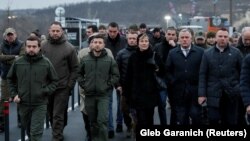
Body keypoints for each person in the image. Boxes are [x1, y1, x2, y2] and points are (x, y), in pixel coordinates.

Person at [7, 36, 58, 141]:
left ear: (39, 48)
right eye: (29, 46)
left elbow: (55, 81)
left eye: (34, 46)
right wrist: (14, 94)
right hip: (23, 104)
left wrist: (45, 91)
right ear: (25, 48)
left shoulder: (46, 62)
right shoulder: (18, 62)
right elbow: (10, 79)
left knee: (36, 134)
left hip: (40, 104)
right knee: (29, 132)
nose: (31, 49)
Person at [41, 21, 79, 141]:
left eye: (58, 31)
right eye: (53, 31)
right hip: (47, 87)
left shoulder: (69, 48)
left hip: (62, 87)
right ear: (49, 31)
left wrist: (69, 86)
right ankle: (59, 128)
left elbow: (75, 68)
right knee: (51, 113)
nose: (55, 33)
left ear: (62, 31)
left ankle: (57, 137)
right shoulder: (42, 46)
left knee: (57, 114)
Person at [78, 34, 120, 141]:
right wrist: (84, 84)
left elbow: (116, 75)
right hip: (89, 95)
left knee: (102, 121)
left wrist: (107, 85)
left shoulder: (109, 60)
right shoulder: (86, 59)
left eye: (100, 43)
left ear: (104, 45)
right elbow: (78, 74)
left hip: (103, 95)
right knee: (93, 122)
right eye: (95, 42)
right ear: (91, 44)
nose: (97, 45)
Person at [198, 28, 243, 125]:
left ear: (228, 38)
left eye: (225, 36)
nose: (223, 39)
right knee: (213, 119)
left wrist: (238, 88)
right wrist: (202, 94)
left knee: (230, 121)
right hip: (213, 93)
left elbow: (243, 73)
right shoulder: (207, 53)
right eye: (220, 36)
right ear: (215, 38)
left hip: (231, 93)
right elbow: (203, 74)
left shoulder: (236, 53)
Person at [125, 33, 165, 133]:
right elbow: (128, 77)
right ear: (138, 43)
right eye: (142, 41)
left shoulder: (155, 55)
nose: (144, 43)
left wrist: (157, 68)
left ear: (149, 42)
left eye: (146, 41)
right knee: (141, 120)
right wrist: (127, 95)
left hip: (151, 93)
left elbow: (163, 71)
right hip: (137, 94)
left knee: (149, 119)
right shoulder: (133, 57)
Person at [0, 27, 25, 133]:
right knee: (3, 101)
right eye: (8, 35)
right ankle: (2, 124)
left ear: (15, 35)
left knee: (19, 99)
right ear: (5, 36)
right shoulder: (1, 45)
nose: (10, 36)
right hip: (5, 76)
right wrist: (14, 57)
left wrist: (7, 58)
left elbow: (22, 58)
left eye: (12, 34)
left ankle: (21, 120)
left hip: (18, 76)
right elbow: (0, 57)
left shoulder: (21, 44)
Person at [105, 22, 127, 138]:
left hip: (120, 75)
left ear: (118, 31)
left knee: (120, 103)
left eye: (114, 31)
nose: (112, 34)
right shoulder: (104, 41)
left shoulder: (124, 41)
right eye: (110, 31)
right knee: (108, 103)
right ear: (108, 31)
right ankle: (110, 128)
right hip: (107, 75)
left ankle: (119, 122)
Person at [116, 30, 138, 137]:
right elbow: (117, 71)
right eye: (130, 38)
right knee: (124, 109)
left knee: (138, 110)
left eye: (134, 38)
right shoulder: (121, 54)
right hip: (125, 87)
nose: (132, 40)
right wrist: (118, 85)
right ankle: (129, 125)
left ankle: (135, 128)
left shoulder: (141, 52)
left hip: (139, 87)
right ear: (127, 39)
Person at [154, 26, 177, 125]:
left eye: (173, 35)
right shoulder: (158, 46)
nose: (171, 36)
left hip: (173, 79)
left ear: (176, 36)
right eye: (169, 34)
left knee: (174, 105)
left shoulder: (178, 48)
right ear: (165, 34)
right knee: (161, 104)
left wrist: (175, 47)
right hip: (162, 79)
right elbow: (154, 60)